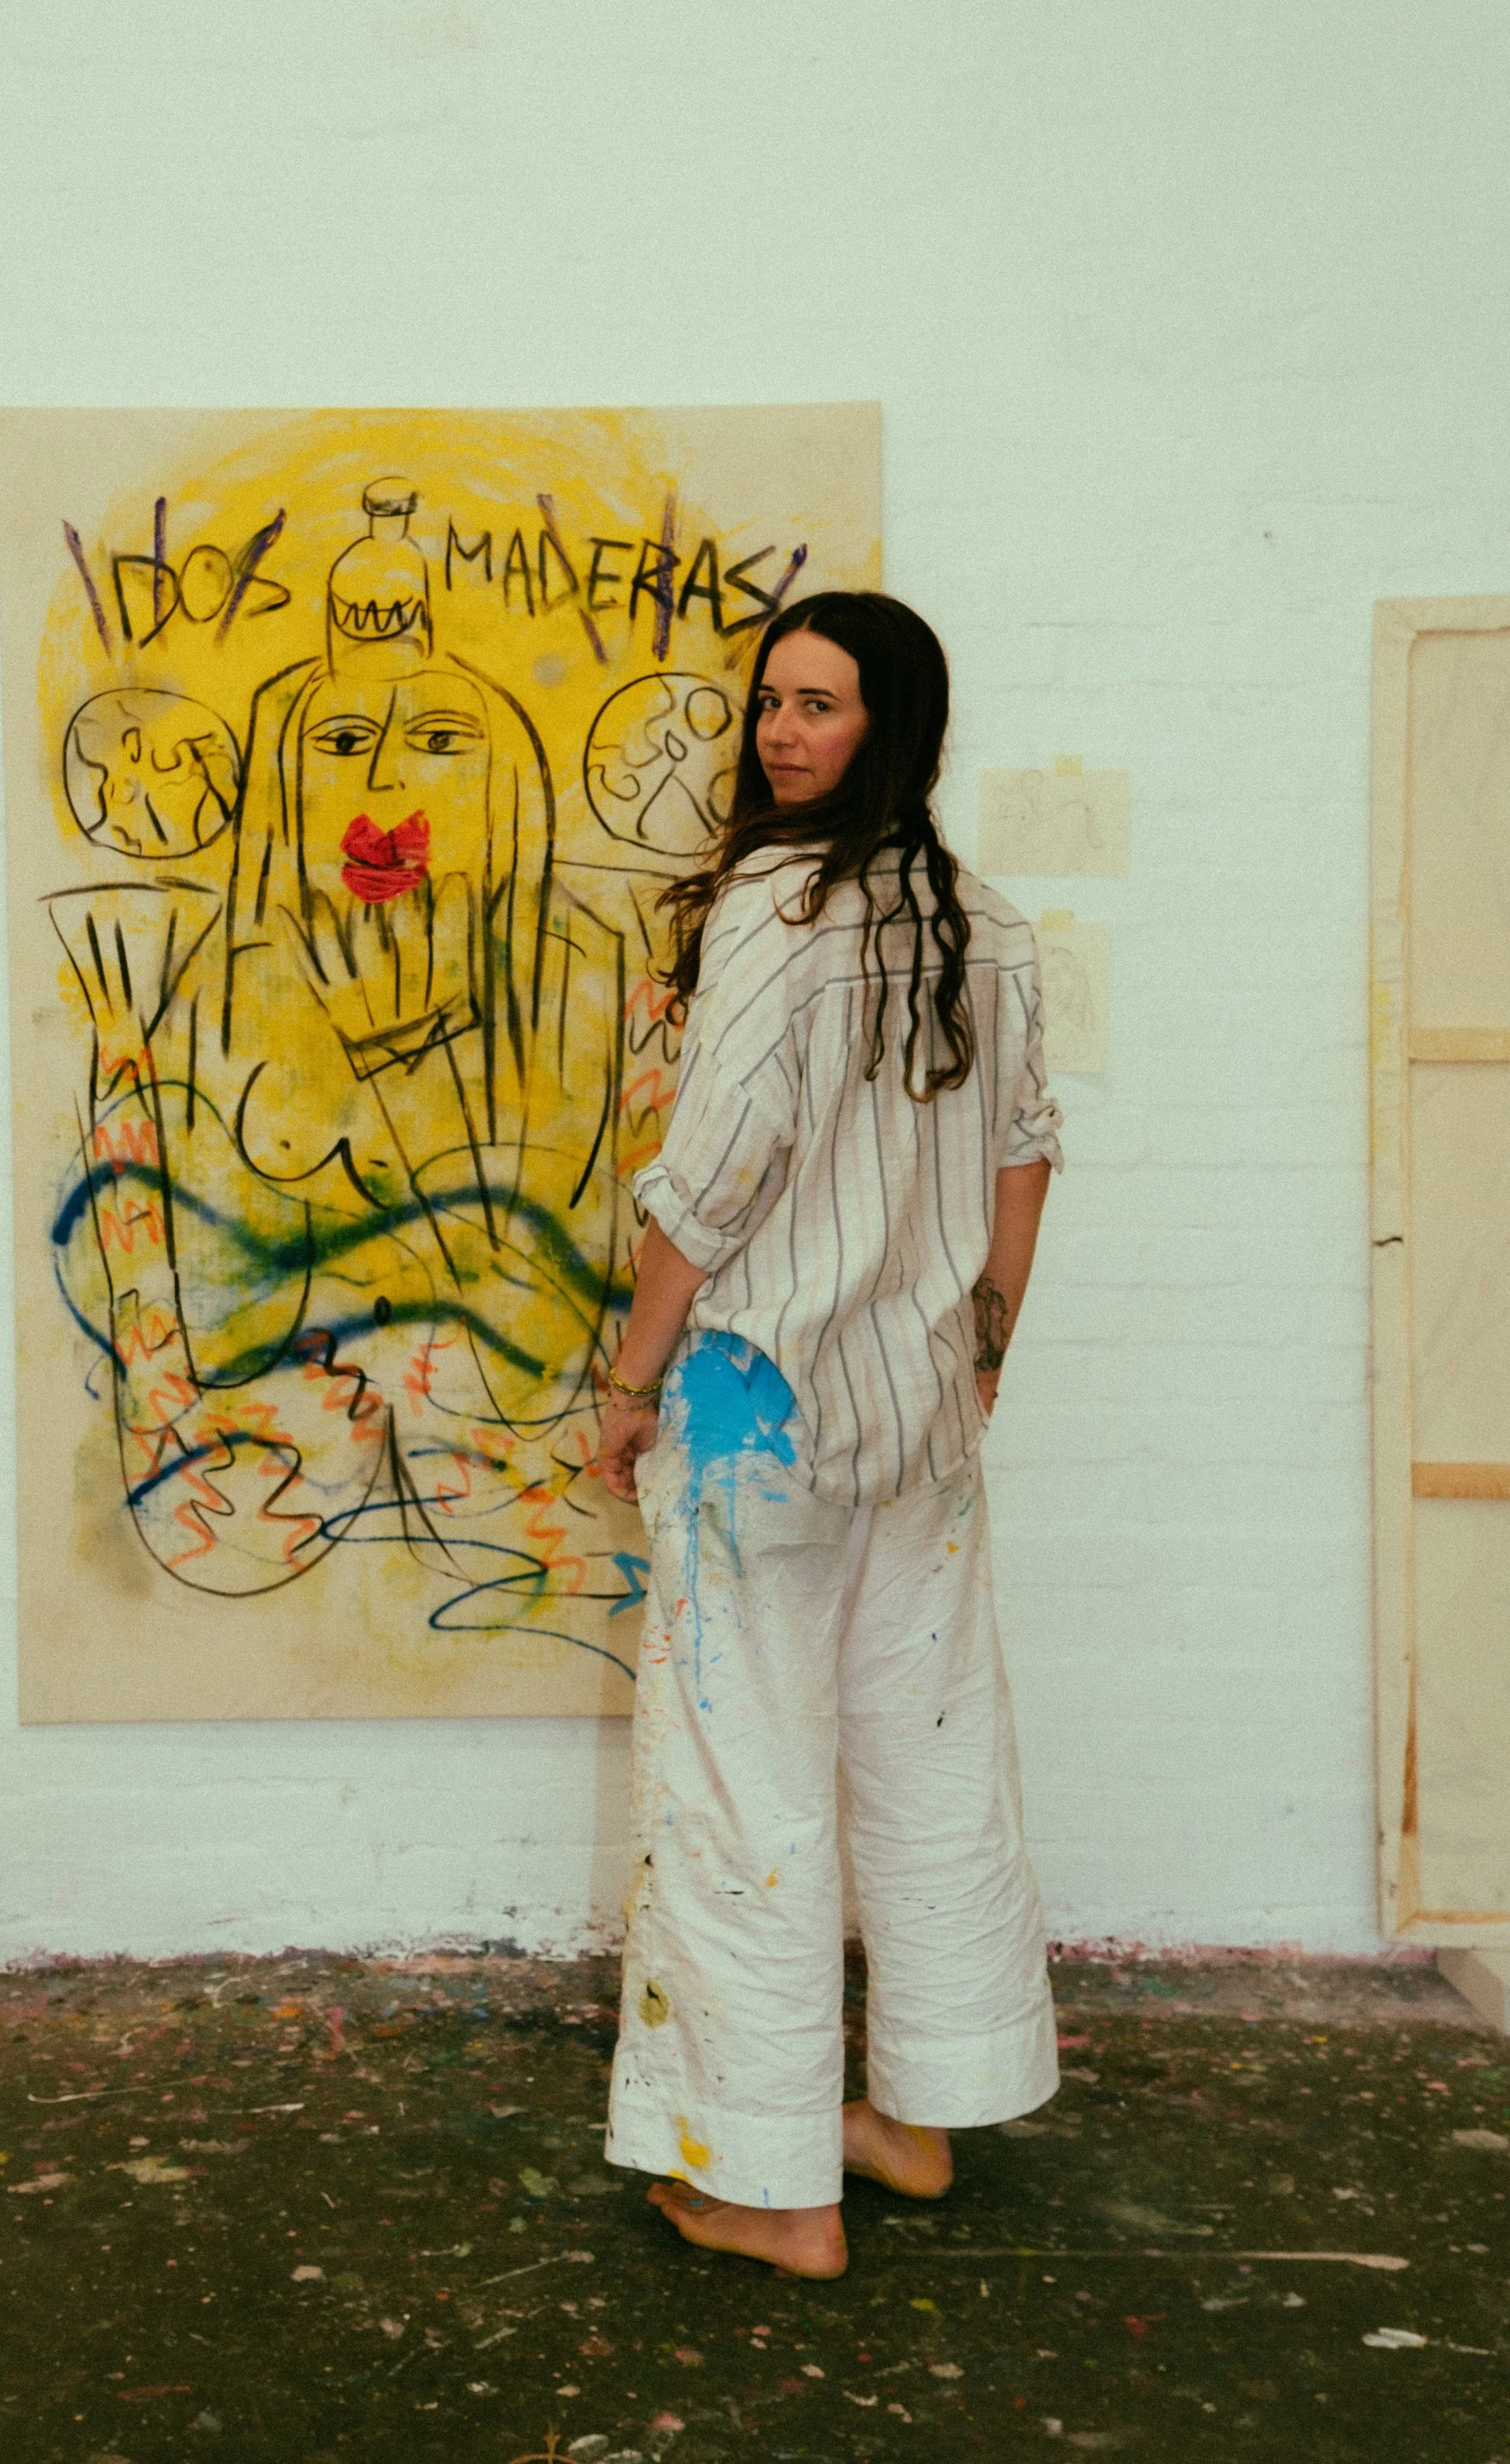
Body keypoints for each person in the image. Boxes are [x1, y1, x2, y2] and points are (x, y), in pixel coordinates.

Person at [594, 590, 1063, 2279]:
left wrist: (626, 1382)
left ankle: (777, 2190)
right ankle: (920, 2115)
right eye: (772, 701)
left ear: (893, 726)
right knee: (929, 1754)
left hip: (756, 1418)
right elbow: (1022, 1151)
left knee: (744, 1787)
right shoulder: (987, 925)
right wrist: (979, 1349)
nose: (783, 733)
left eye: (821, 705)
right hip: (917, 1422)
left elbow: (710, 1183)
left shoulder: (773, 917)